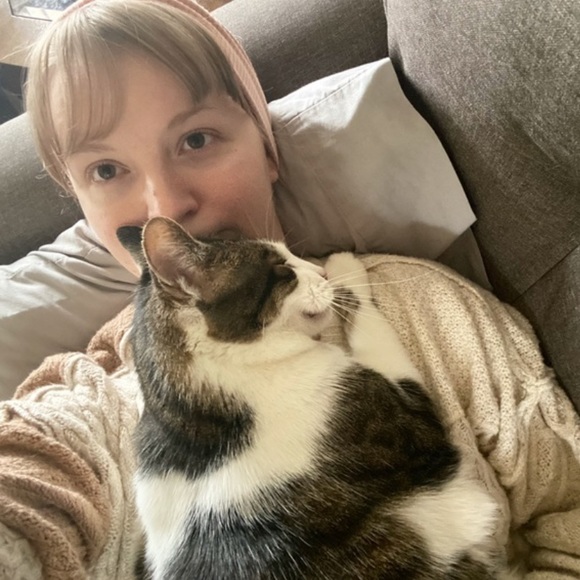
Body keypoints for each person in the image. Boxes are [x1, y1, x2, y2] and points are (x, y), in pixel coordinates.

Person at [0, 0, 579, 577]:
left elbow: (569, 514)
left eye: (196, 139)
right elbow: (33, 475)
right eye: (105, 170)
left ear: (268, 148)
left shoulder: (427, 310)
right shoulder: (95, 397)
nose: (167, 204)